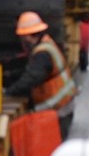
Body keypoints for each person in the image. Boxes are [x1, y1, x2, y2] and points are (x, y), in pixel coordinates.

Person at [4, 11, 77, 139]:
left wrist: (9, 92)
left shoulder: (42, 54)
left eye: (23, 37)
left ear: (30, 36)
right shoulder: (46, 44)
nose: (22, 41)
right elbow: (31, 71)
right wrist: (9, 76)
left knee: (50, 152)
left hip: (57, 111)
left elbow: (31, 78)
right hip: (62, 108)